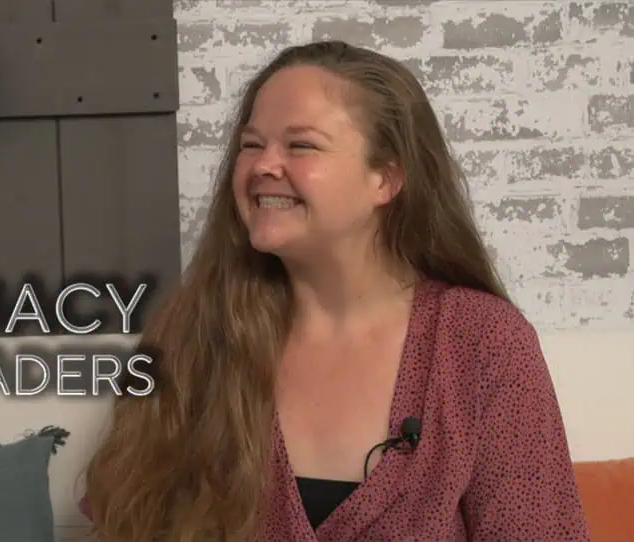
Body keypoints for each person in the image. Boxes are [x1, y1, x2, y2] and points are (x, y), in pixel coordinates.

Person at [78, 40, 591, 541]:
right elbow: (123, 523)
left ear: (385, 178)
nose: (263, 165)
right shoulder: (190, 334)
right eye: (251, 145)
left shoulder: (483, 342)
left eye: (300, 145)